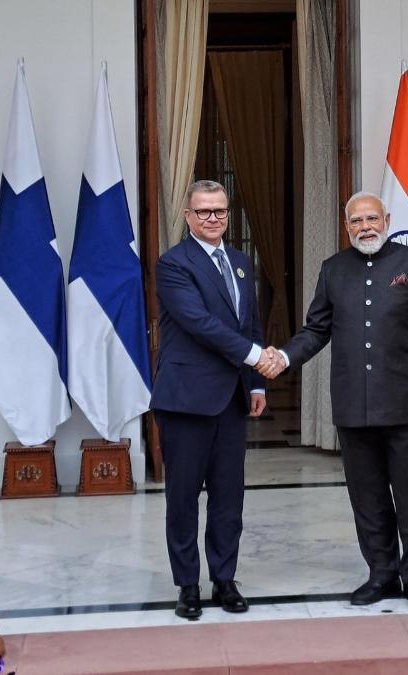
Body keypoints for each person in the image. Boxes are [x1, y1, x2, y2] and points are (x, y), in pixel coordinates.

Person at [257, 191, 408, 610]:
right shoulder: (333, 270)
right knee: (368, 498)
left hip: (406, 408)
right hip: (353, 408)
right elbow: (315, 330)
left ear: (387, 220)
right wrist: (284, 357)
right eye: (356, 221)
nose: (365, 227)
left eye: (371, 219)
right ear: (346, 227)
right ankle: (381, 573)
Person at [151, 180, 281, 619]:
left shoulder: (241, 262)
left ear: (228, 213)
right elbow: (199, 322)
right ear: (187, 216)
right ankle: (187, 585)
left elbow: (250, 324)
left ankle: (224, 579)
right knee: (183, 498)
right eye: (203, 211)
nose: (213, 218)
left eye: (220, 211)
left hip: (231, 399)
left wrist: (256, 383)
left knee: (229, 497)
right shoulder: (173, 264)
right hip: (186, 400)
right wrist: (256, 357)